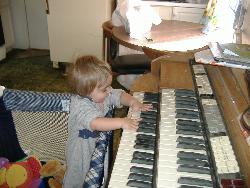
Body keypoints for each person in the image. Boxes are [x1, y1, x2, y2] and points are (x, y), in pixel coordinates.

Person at [63, 55, 152, 187]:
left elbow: (118, 94)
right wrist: (122, 122)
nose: (109, 90)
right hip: (80, 154)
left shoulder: (102, 95)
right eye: (104, 89)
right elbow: (96, 123)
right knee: (76, 179)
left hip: (94, 147)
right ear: (87, 90)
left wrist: (133, 101)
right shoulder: (80, 106)